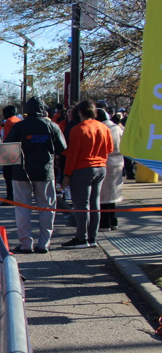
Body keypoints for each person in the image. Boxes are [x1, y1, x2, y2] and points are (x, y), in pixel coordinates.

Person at [4, 98, 67, 253]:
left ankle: (26, 243)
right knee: (47, 208)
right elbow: (62, 147)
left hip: (21, 173)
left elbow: (7, 147)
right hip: (45, 172)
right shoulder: (52, 126)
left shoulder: (19, 126)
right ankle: (44, 243)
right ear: (43, 110)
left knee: (22, 209)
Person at [61, 99, 113, 249]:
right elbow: (109, 148)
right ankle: (92, 236)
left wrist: (67, 174)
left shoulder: (78, 129)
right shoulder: (104, 127)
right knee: (94, 203)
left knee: (81, 204)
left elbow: (73, 154)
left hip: (83, 168)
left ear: (80, 112)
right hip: (101, 166)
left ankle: (81, 237)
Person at [98, 108, 124, 232]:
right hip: (118, 161)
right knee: (113, 193)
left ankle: (105, 223)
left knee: (103, 195)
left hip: (106, 160)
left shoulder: (102, 128)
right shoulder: (117, 127)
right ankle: (113, 221)